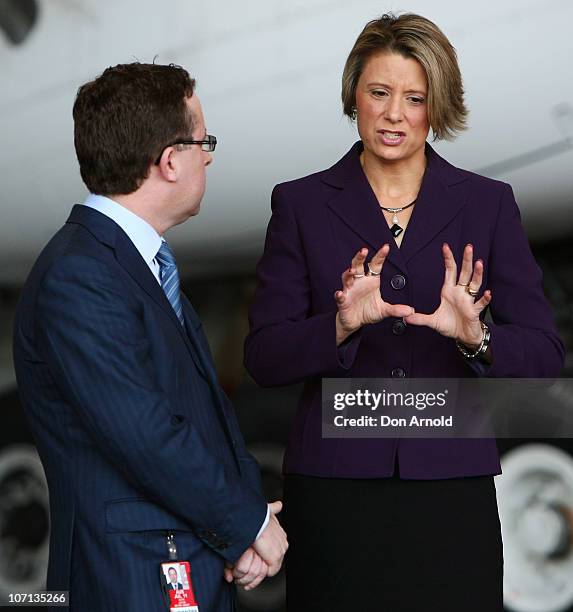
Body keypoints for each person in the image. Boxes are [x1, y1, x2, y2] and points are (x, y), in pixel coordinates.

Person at [244, 13, 564, 612]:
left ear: (436, 107)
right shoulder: (301, 203)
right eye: (379, 93)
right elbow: (263, 355)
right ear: (354, 96)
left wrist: (478, 339)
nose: (394, 115)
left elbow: (545, 354)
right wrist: (337, 328)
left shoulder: (488, 204)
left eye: (414, 98)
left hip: (450, 490)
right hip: (335, 492)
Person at [13, 62, 287, 611]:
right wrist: (246, 522)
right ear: (168, 161)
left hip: (179, 564)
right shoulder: (80, 276)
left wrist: (245, 524)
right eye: (202, 141)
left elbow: (203, 414)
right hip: (127, 580)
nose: (208, 155)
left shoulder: (135, 268)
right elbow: (144, 431)